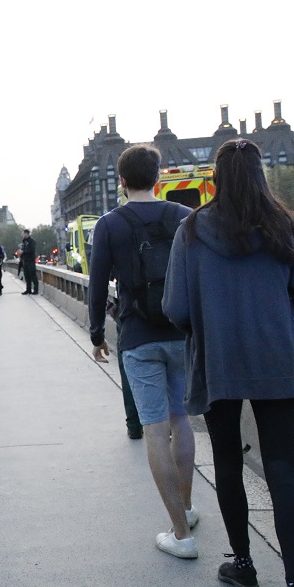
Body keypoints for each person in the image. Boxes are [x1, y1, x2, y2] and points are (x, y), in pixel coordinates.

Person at [163, 138, 294, 587]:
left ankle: (244, 564)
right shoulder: (283, 229)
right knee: (282, 471)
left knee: (229, 462)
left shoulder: (191, 231)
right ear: (261, 178)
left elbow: (176, 309)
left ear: (215, 179)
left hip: (220, 362)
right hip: (276, 362)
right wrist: (270, 316)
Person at [88, 144, 197, 558]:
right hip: (180, 333)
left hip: (138, 337)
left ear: (121, 180)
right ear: (159, 176)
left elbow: (98, 284)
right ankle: (188, 506)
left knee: (154, 428)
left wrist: (97, 334)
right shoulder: (184, 216)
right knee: (181, 420)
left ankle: (181, 534)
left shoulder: (109, 225)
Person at [19, 229, 39, 295]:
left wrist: (23, 252)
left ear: (26, 233)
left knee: (33, 275)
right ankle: (28, 289)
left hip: (31, 261)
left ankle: (36, 290)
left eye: (23, 234)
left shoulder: (32, 241)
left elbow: (31, 250)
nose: (22, 235)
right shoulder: (24, 242)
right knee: (27, 276)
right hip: (25, 261)